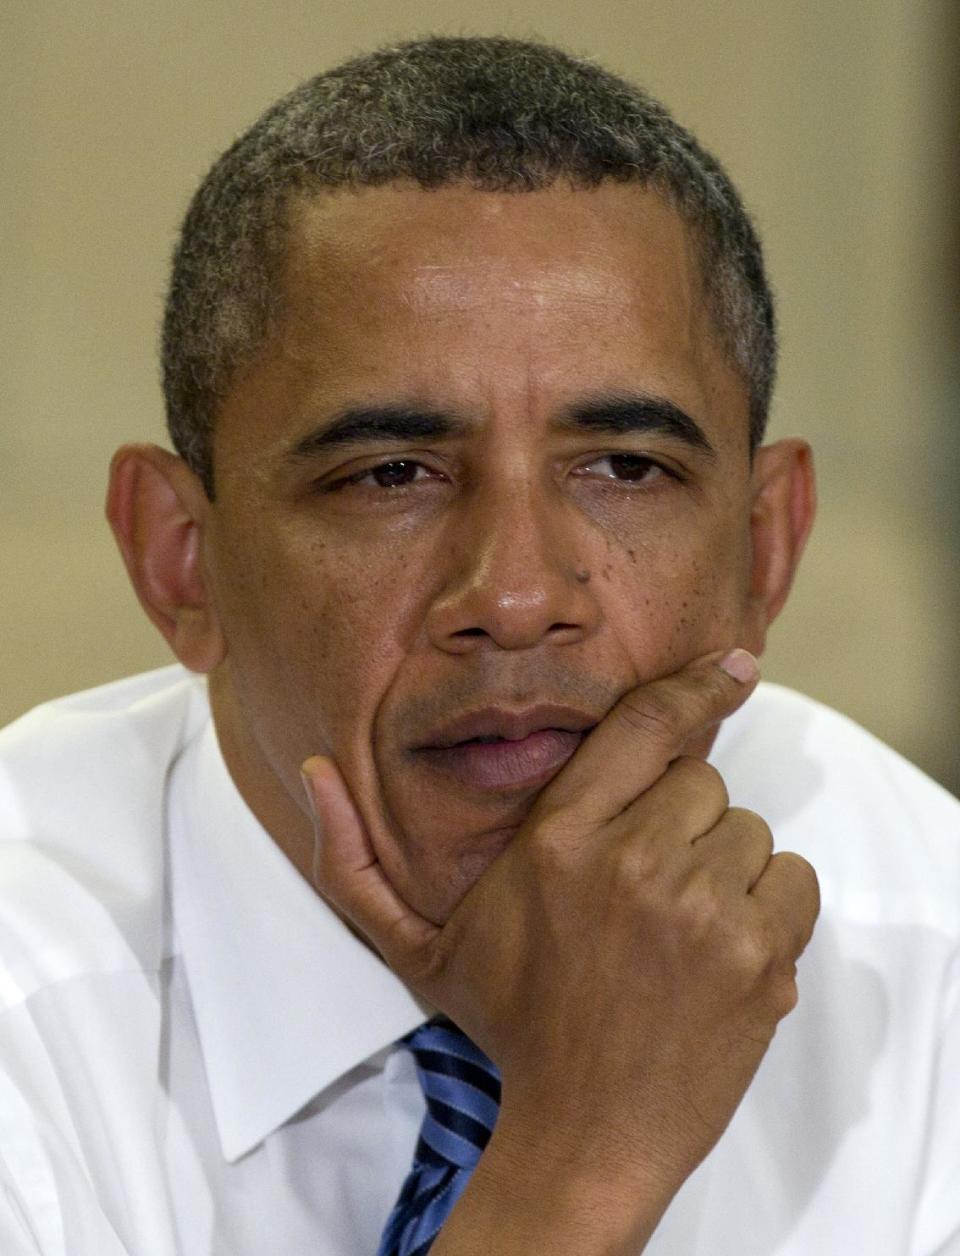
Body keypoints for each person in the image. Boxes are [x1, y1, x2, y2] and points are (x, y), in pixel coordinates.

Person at [0, 34, 957, 1256]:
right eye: (391, 473)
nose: (514, 596)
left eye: (625, 468)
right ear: (181, 558)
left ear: (766, 549)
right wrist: (576, 1159)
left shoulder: (931, 973)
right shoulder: (29, 984)